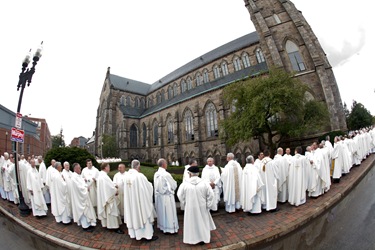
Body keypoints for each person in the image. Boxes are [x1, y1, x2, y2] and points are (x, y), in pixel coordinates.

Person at [177, 165, 216, 245]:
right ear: (198, 173)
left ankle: (192, 239)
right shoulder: (204, 183)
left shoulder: (185, 184)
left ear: (190, 174)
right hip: (202, 206)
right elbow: (211, 195)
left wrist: (185, 203)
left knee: (192, 223)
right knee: (202, 222)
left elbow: (180, 195)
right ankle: (203, 238)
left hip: (190, 207)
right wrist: (208, 205)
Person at [123, 159, 158, 241]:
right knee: (142, 215)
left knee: (133, 216)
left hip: (131, 204)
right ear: (138, 166)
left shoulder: (126, 176)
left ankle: (134, 234)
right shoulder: (140, 176)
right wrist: (151, 185)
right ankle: (147, 235)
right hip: (140, 203)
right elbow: (148, 188)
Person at [96, 162, 123, 234]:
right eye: (108, 167)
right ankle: (115, 227)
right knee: (112, 212)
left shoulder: (100, 175)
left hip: (104, 197)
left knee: (108, 212)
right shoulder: (104, 177)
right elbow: (109, 188)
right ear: (105, 168)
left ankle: (107, 225)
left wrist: (113, 186)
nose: (109, 168)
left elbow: (108, 185)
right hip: (108, 198)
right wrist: (116, 190)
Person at [154, 158, 179, 234]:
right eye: (166, 163)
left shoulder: (156, 174)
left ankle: (162, 227)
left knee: (162, 212)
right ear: (164, 165)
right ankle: (170, 229)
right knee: (169, 213)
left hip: (159, 197)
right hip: (167, 197)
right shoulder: (166, 174)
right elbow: (173, 185)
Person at [70, 163, 97, 232]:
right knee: (83, 211)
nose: (80, 169)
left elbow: (82, 183)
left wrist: (86, 182)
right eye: (79, 168)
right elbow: (79, 188)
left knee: (87, 211)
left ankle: (88, 223)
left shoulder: (78, 176)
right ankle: (85, 226)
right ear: (75, 169)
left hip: (83, 197)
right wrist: (86, 188)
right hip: (80, 199)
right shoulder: (74, 177)